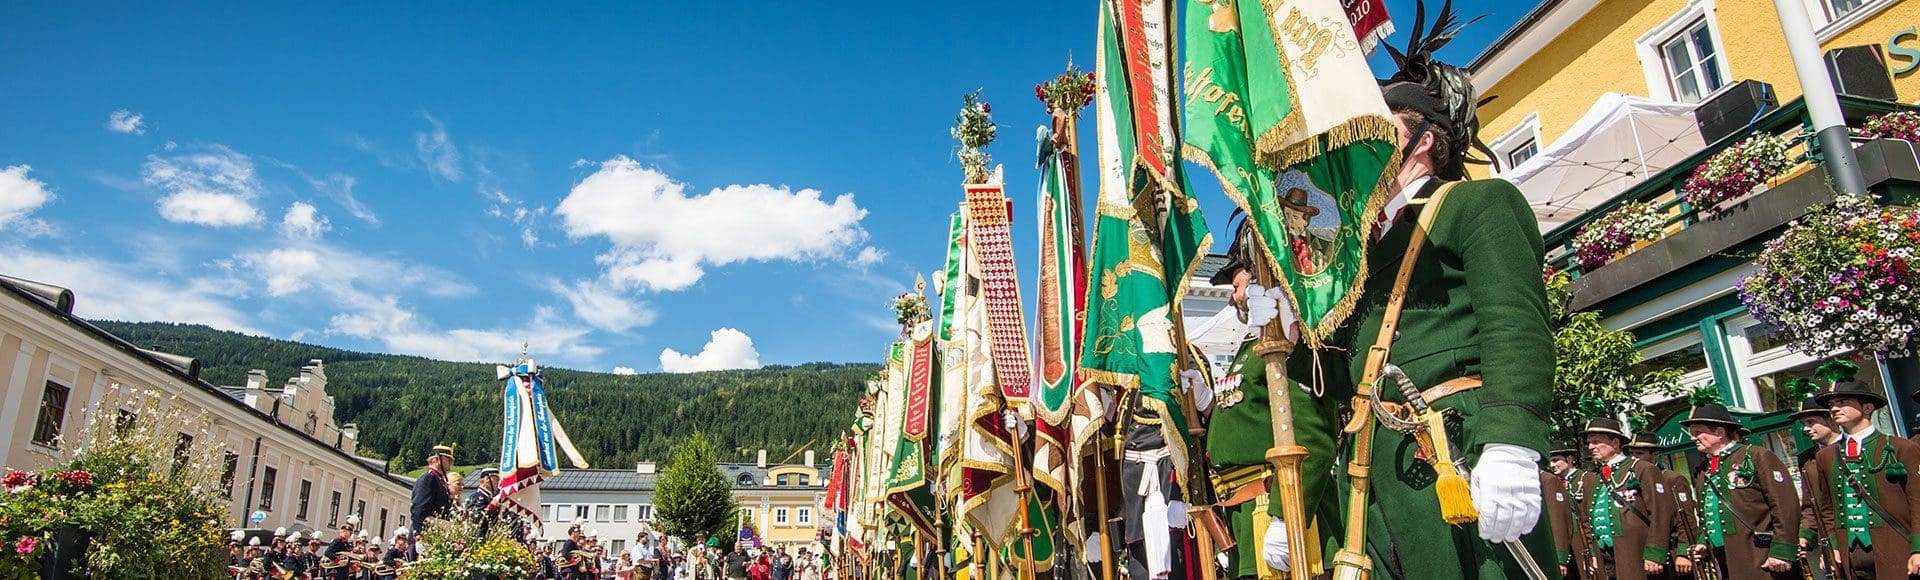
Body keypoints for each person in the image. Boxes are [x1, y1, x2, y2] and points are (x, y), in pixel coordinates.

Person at [1249, 3, 1555, 578]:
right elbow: (1337, 380)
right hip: (1374, 469)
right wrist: (1290, 334)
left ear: (1422, 141)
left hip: (1457, 447)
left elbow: (1515, 322)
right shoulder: (1354, 253)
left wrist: (1512, 439)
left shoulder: (1476, 203)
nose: (1356, 149)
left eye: (1375, 131)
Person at [1809, 378, 1920, 578]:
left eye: (1842, 402)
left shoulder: (1902, 447)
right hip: (1849, 554)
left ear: (1867, 407)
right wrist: (1833, 546)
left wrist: (1918, 549)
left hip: (1895, 548)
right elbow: (1827, 509)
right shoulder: (1825, 457)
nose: (1835, 409)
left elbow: (1917, 501)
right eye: (1832, 405)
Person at [1683, 401, 1800, 579]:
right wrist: (1703, 542)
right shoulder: (1703, 469)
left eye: (1698, 432)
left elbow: (1784, 505)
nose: (1693, 438)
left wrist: (1782, 551)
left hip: (1758, 553)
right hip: (1724, 559)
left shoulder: (1756, 455)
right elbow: (1705, 513)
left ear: (1720, 432)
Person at [1572, 417, 1674, 580]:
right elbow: (1586, 519)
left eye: (1596, 442)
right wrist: (1593, 553)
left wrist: (1655, 553)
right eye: (1589, 443)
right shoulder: (1593, 478)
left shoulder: (1642, 468)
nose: (1591, 447)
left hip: (1635, 550)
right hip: (1604, 556)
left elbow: (1660, 513)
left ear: (1615, 442)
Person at [1627, 432, 1697, 579]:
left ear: (1655, 454)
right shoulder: (1631, 480)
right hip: (1646, 551)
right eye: (1631, 453)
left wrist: (1683, 552)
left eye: (1639, 453)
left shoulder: (1672, 479)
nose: (1634, 458)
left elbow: (1686, 518)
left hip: (1672, 550)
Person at [411, 444, 457, 532]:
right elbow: (419, 508)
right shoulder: (429, 478)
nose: (451, 463)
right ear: (436, 459)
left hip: (437, 531)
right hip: (426, 532)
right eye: (448, 459)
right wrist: (418, 533)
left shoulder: (439, 480)